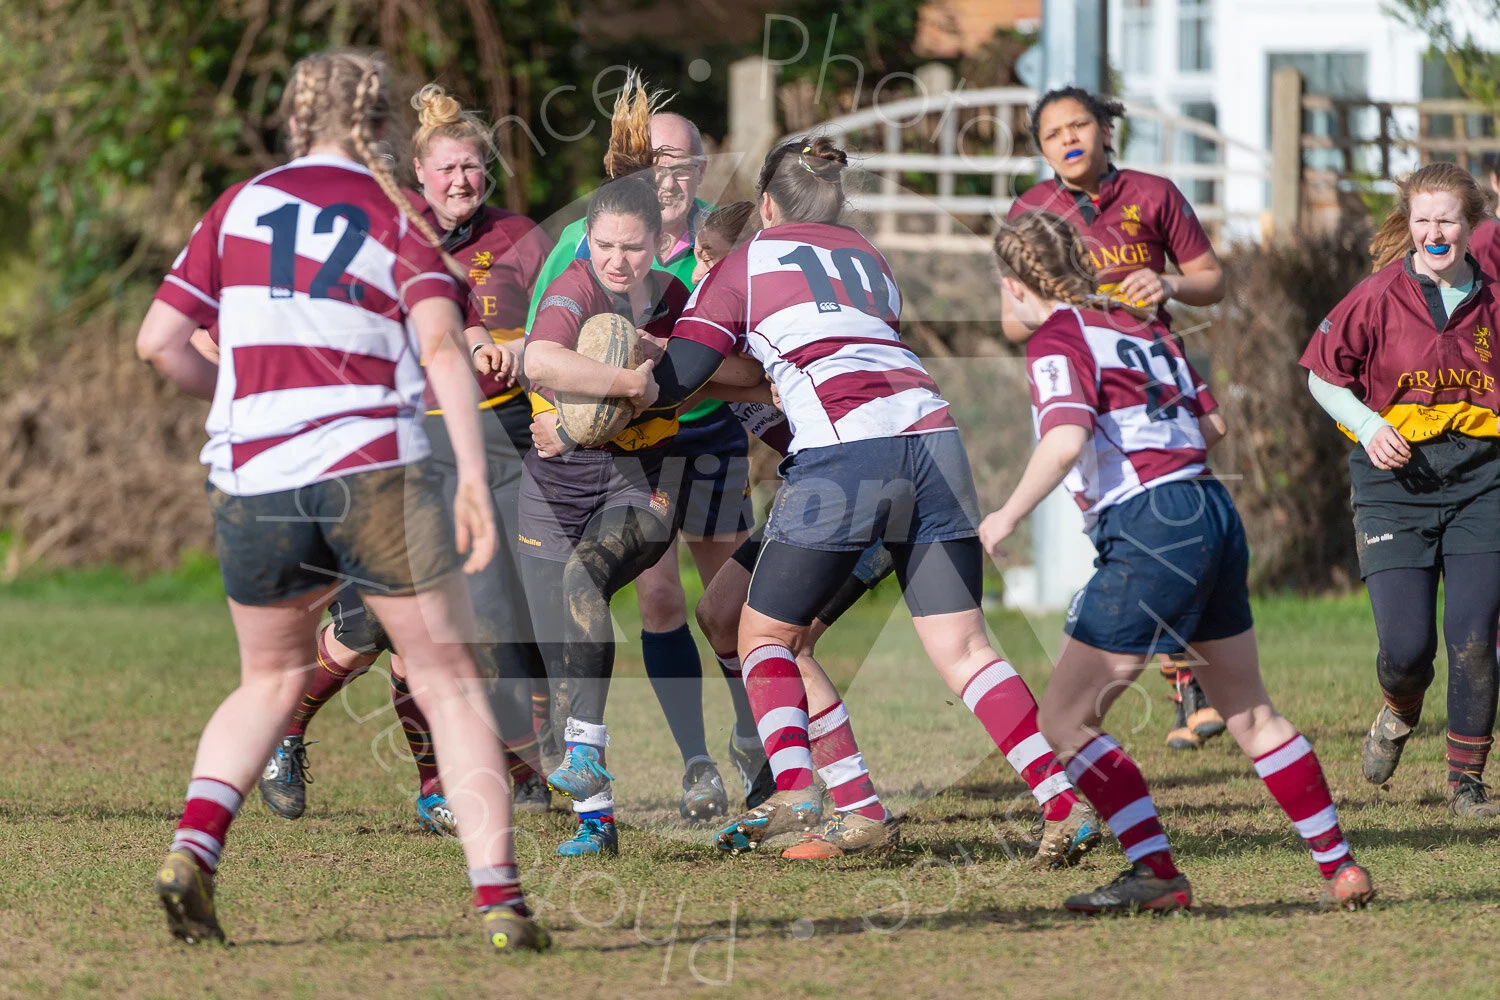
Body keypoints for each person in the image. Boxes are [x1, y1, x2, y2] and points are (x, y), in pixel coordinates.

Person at [135, 49, 547, 950]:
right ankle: (501, 903)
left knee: (267, 679)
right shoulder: (395, 215)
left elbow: (160, 340)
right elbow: (444, 349)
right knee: (446, 678)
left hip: (257, 477)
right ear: (385, 125)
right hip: (376, 469)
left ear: (291, 116)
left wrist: (240, 410)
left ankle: (192, 853)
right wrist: (474, 477)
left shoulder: (238, 206)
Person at [644, 136, 1101, 865]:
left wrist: (615, 376)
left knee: (765, 638)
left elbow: (680, 375)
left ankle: (796, 791)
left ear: (766, 205)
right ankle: (1060, 802)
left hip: (846, 456)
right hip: (934, 441)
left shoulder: (746, 263)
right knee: (964, 649)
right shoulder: (870, 262)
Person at [982, 211, 1375, 913]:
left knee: (1064, 723)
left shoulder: (1058, 336)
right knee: (1252, 714)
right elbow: (1212, 425)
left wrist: (1007, 513)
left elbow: (1067, 436)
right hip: (1210, 507)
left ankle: (1156, 872)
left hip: (1151, 524)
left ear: (1013, 286)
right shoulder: (1141, 326)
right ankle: (1339, 865)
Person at [251, 84, 558, 835]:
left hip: (505, 445)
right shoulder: (388, 237)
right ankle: (288, 729)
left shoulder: (518, 236)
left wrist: (515, 353)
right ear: (419, 176)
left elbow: (561, 325)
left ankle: (475, 774)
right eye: (449, 168)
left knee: (505, 619)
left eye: (474, 167)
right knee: (373, 627)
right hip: (402, 449)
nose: (463, 181)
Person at [527, 100, 765, 820]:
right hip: (633, 451)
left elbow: (751, 360)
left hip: (710, 433)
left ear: (700, 169)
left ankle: (756, 743)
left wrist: (673, 366)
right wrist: (561, 425)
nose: (670, 175)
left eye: (683, 162)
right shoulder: (585, 238)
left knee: (734, 611)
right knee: (659, 599)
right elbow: (545, 355)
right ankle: (696, 764)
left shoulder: (724, 241)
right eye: (657, 160)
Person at [1008, 86, 1228, 749]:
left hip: (1155, 369)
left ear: (1106, 130)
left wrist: (1168, 285)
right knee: (1132, 520)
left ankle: (1192, 668)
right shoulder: (1029, 212)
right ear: (1040, 147)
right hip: (1083, 379)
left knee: (1200, 462)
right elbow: (1008, 319)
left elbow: (1212, 278)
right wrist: (1062, 308)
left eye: (1080, 124)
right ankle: (1185, 677)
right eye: (1053, 133)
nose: (1069, 138)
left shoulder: (1154, 193)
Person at [1301, 162, 1500, 817]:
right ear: (1409, 225)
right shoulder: (1379, 293)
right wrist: (1366, 424)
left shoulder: (1494, 296)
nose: (1434, 232)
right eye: (1423, 221)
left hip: (1482, 478)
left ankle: (1465, 783)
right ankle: (1398, 708)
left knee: (1473, 635)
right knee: (1408, 647)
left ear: (1472, 227)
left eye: (1447, 220)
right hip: (1394, 480)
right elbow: (1322, 376)